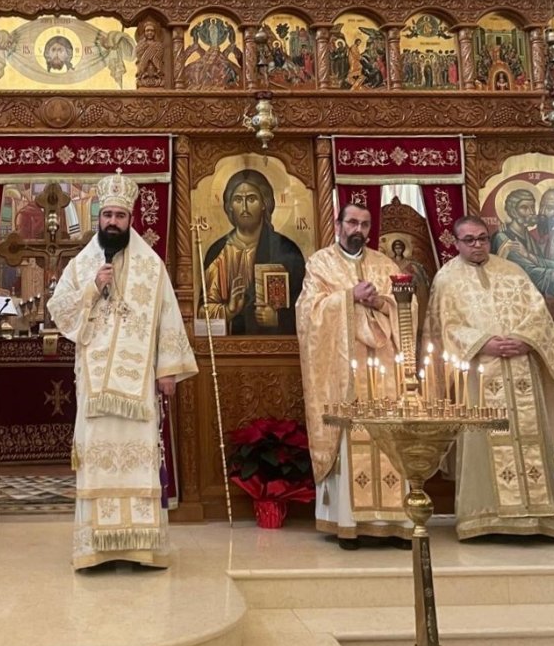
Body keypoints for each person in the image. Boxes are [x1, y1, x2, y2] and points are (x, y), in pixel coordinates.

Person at [48, 171, 197, 570]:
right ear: (98, 216)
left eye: (120, 216)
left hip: (139, 387)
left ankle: (140, 548)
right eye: (107, 214)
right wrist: (93, 288)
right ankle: (97, 548)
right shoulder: (82, 265)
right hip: (96, 388)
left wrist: (168, 370)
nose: (112, 222)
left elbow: (167, 316)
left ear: (131, 220)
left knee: (138, 463)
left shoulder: (152, 266)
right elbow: (59, 311)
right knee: (99, 462)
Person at [424, 215, 554, 540]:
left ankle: (536, 520)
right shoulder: (446, 279)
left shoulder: (513, 272)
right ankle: (483, 520)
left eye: (482, 238)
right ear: (456, 242)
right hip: (478, 375)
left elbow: (539, 315)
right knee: (482, 443)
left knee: (527, 439)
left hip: (521, 368)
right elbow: (442, 331)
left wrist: (525, 339)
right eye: (470, 240)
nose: (478, 245)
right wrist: (483, 342)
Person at [296, 202, 410, 549]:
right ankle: (349, 524)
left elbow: (406, 307)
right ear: (339, 224)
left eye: (364, 224)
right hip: (344, 372)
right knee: (350, 444)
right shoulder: (320, 263)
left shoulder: (383, 264)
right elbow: (307, 313)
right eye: (352, 222)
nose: (357, 229)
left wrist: (381, 304)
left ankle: (395, 523)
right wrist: (348, 298)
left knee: (388, 439)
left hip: (384, 369)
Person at [200, 169, 306, 335]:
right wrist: (229, 311)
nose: (244, 207)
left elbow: (308, 306)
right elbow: (202, 313)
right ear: (229, 206)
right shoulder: (217, 252)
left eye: (251, 199)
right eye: (237, 200)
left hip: (278, 351)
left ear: (265, 203)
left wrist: (279, 318)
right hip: (226, 352)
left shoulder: (286, 250)